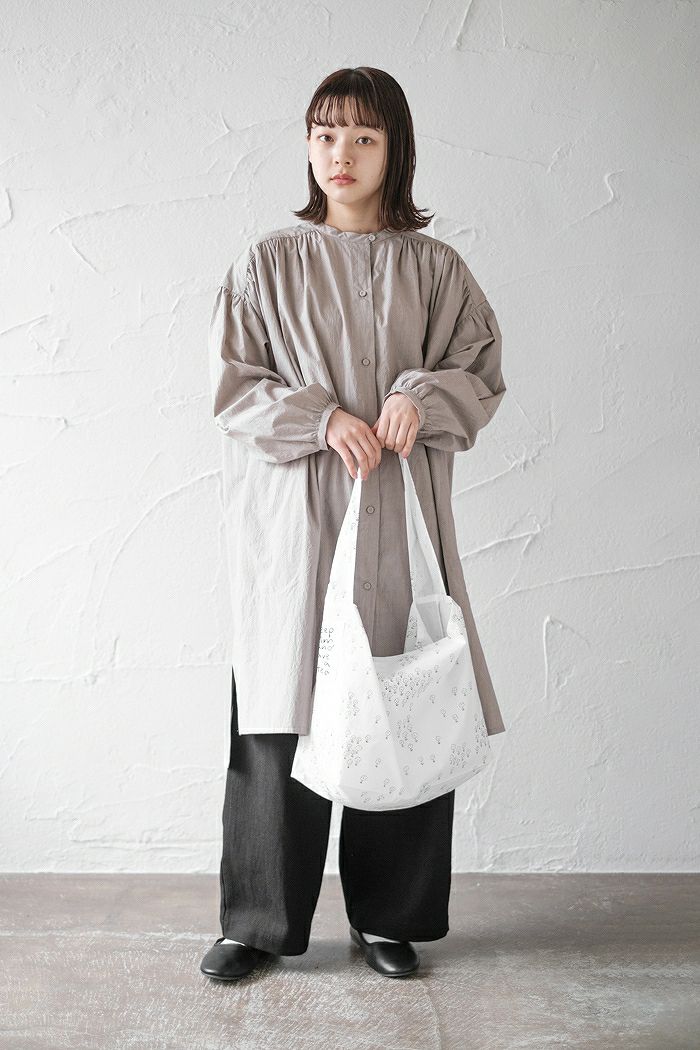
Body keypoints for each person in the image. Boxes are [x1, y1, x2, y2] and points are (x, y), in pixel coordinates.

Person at [200, 66, 507, 982]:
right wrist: (322, 418)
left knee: (403, 704)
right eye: (326, 133)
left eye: (364, 137)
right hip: (298, 529)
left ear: (394, 151)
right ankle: (257, 925)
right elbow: (235, 389)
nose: (342, 153)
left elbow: (479, 370)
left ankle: (389, 919)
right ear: (307, 145)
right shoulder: (267, 266)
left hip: (398, 528)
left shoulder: (437, 270)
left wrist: (420, 396)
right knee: (279, 717)